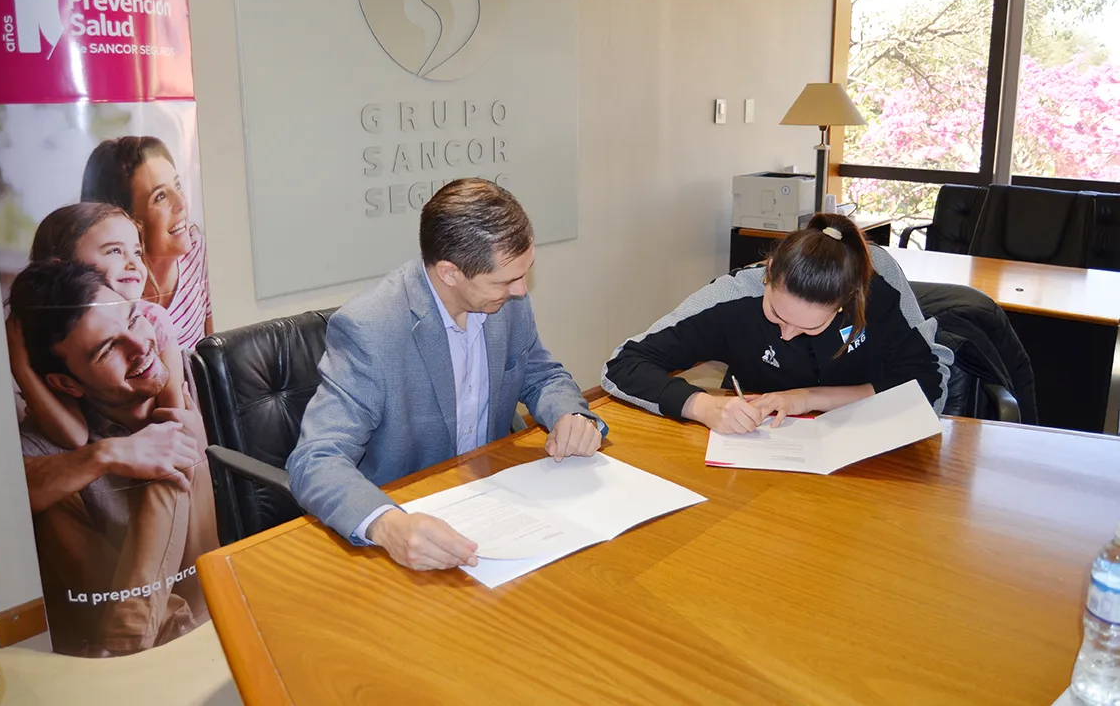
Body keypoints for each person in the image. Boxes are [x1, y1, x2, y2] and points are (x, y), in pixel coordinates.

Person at [288, 178, 607, 572]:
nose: (522, 291)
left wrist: (569, 415)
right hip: (413, 520)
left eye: (525, 274)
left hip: (498, 502)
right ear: (450, 272)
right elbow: (315, 459)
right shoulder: (370, 329)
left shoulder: (505, 301)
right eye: (506, 280)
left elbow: (541, 374)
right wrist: (388, 525)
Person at [7, 260, 217, 656]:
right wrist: (106, 454)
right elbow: (4, 500)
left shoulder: (194, 378)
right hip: (165, 635)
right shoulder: (50, 437)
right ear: (66, 383)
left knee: (173, 444)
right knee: (48, 501)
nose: (139, 346)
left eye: (134, 319)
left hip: (210, 607)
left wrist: (157, 442)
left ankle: (123, 640)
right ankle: (142, 635)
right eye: (108, 349)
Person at [602, 213, 953, 434]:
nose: (787, 335)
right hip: (764, 453)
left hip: (870, 454)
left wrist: (807, 398)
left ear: (847, 300)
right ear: (768, 274)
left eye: (810, 328)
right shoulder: (732, 297)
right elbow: (623, 364)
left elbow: (929, 383)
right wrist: (703, 406)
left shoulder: (877, 281)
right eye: (776, 315)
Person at [7, 203, 187, 454]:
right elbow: (75, 437)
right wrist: (22, 369)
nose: (133, 263)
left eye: (137, 252)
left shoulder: (154, 318)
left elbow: (176, 418)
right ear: (65, 266)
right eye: (115, 251)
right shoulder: (60, 350)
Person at [81, 136, 212, 350]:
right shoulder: (109, 296)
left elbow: (217, 354)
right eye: (160, 197)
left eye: (177, 185)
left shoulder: (197, 249)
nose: (181, 203)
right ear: (125, 222)